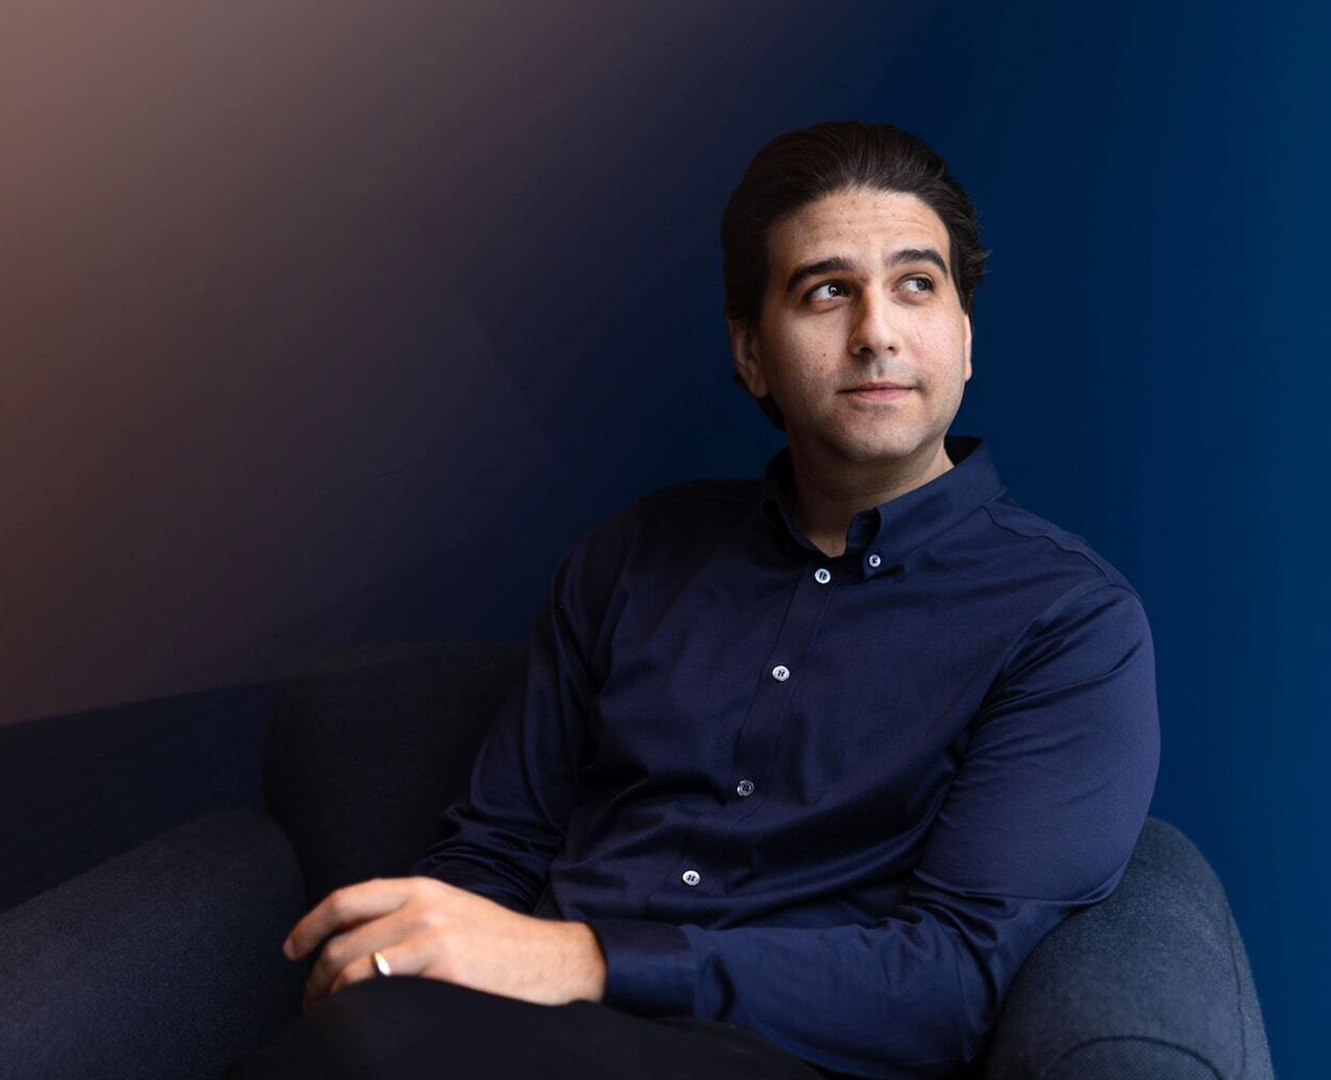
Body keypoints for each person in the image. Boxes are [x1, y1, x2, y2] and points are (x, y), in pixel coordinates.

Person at [230, 119, 1160, 1080]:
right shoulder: (633, 556)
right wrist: (422, 964)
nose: (876, 332)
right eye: (827, 291)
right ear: (751, 352)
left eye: (916, 285)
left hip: (790, 1058)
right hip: (517, 1041)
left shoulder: (1066, 621)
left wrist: (582, 960)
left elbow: (950, 987)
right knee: (358, 1039)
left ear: (963, 339)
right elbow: (496, 850)